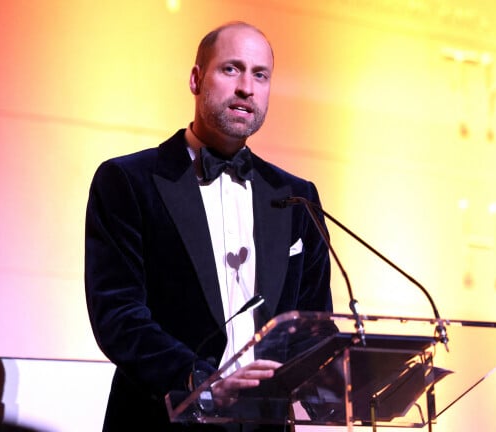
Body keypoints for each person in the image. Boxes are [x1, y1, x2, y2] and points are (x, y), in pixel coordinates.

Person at [84, 21, 332, 431]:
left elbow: (312, 323)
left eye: (260, 75)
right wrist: (200, 382)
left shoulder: (296, 196)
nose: (246, 88)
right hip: (159, 419)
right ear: (197, 79)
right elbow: (118, 315)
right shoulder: (128, 181)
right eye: (231, 69)